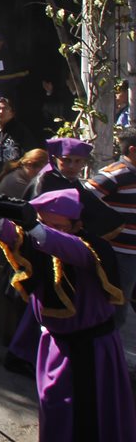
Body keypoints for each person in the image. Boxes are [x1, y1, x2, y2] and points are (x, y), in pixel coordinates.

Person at [0, 189, 136, 441]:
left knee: (86, 418)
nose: (48, 230)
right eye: (45, 223)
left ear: (77, 225)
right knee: (54, 409)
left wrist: (36, 227)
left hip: (90, 351)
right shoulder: (39, 241)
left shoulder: (91, 248)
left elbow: (66, 247)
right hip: (55, 345)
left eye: (58, 225)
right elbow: (12, 235)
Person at [87, 126, 136, 327]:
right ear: (132, 150)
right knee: (116, 309)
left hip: (132, 254)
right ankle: (106, 353)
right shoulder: (115, 174)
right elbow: (82, 199)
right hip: (119, 254)